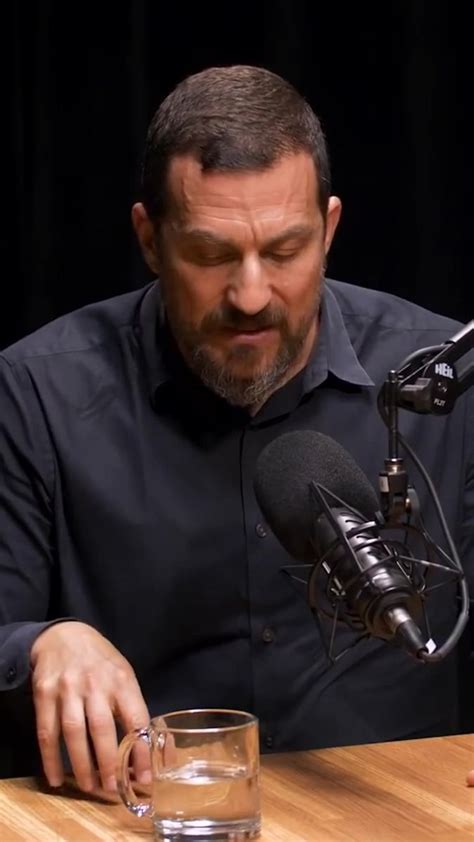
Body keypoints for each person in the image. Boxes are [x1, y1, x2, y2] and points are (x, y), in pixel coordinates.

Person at [0, 65, 473, 794]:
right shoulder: (37, 392)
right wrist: (40, 644)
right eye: (212, 255)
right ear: (150, 240)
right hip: (144, 821)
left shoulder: (447, 388)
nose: (251, 295)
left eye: (284, 252)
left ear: (331, 229)